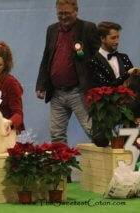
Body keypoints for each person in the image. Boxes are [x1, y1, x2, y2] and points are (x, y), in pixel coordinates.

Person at [35, 0, 100, 143]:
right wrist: (41, 84)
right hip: (56, 93)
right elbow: (47, 58)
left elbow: (99, 59)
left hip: (79, 91)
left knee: (94, 132)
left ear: (76, 11)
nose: (63, 16)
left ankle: (108, 163)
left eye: (67, 13)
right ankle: (61, 165)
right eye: (60, 13)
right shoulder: (51, 30)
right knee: (56, 136)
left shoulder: (88, 28)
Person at [87, 21, 140, 146]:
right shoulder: (93, 61)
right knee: (103, 144)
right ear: (102, 38)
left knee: (130, 147)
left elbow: (133, 86)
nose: (116, 41)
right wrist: (127, 74)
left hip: (129, 111)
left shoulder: (124, 57)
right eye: (113, 38)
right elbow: (104, 87)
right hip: (106, 111)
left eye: (118, 37)